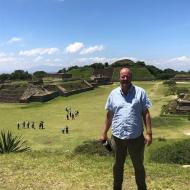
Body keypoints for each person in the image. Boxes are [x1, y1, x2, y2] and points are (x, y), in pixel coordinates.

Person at [101, 68, 152, 190]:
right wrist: (104, 133)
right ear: (119, 77)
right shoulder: (113, 94)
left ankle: (141, 188)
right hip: (117, 137)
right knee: (118, 166)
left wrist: (149, 133)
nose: (125, 79)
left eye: (127, 76)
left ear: (131, 78)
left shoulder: (140, 92)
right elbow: (109, 114)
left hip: (136, 138)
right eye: (123, 76)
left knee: (139, 166)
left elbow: (146, 113)